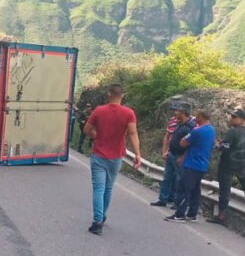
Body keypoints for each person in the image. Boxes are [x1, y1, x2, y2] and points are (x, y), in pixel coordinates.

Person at [83, 84, 142, 235]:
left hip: (99, 154)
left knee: (98, 189)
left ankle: (97, 222)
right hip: (116, 156)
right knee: (108, 188)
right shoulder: (129, 113)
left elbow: (86, 130)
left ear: (109, 94)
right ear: (122, 96)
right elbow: (133, 134)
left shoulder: (99, 111)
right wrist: (137, 154)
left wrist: (97, 137)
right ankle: (102, 217)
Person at [166, 109, 215, 223]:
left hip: (192, 163)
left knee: (183, 189)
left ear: (201, 117)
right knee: (195, 190)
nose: (195, 118)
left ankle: (180, 214)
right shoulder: (212, 129)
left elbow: (183, 143)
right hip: (203, 164)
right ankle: (192, 214)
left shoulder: (197, 131)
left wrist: (186, 138)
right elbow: (212, 144)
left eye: (197, 116)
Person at [209, 108, 245, 225]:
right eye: (232, 116)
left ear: (242, 120)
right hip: (241, 163)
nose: (231, 119)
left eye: (234, 117)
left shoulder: (232, 132)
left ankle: (221, 216)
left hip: (227, 164)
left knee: (224, 191)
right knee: (243, 178)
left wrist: (217, 145)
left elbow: (225, 148)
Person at [151, 97, 195, 208]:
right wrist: (165, 151)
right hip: (171, 153)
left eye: (178, 111)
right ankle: (163, 199)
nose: (175, 112)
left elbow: (190, 144)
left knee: (179, 179)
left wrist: (183, 157)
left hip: (180, 156)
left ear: (183, 112)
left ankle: (177, 201)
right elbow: (168, 137)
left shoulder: (191, 126)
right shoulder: (177, 122)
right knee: (167, 177)